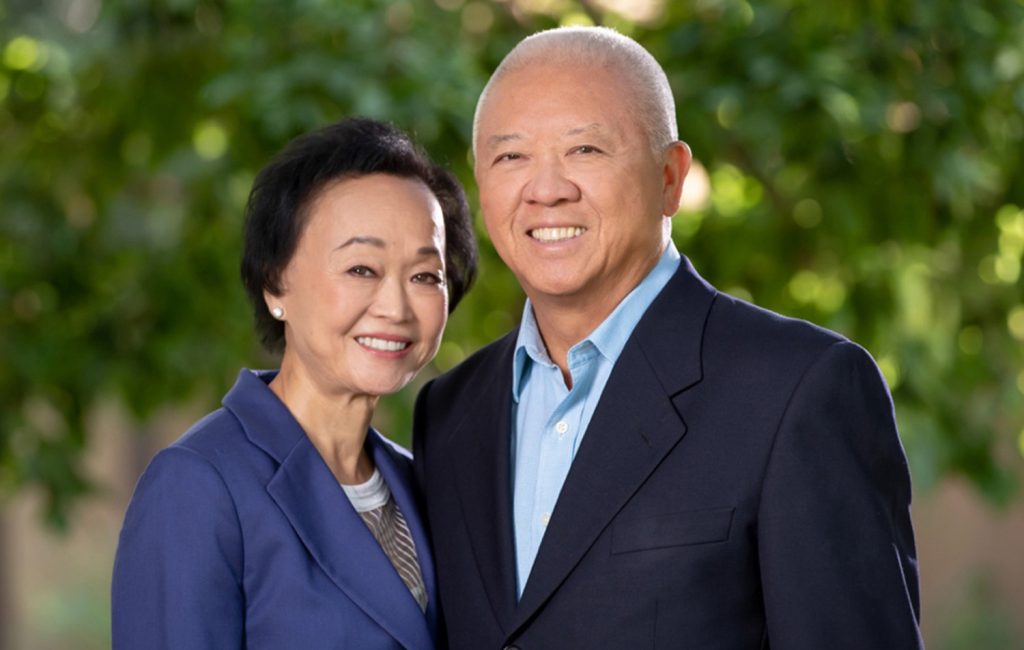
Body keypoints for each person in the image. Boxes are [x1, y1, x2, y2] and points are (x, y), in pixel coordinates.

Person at [413, 26, 923, 649]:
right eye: (510, 156)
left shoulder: (798, 391)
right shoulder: (450, 413)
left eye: (586, 150)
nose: (545, 189)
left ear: (671, 177)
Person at [112, 117, 477, 649]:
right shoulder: (197, 486)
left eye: (425, 276)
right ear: (274, 283)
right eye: (361, 269)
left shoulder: (423, 483)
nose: (396, 307)